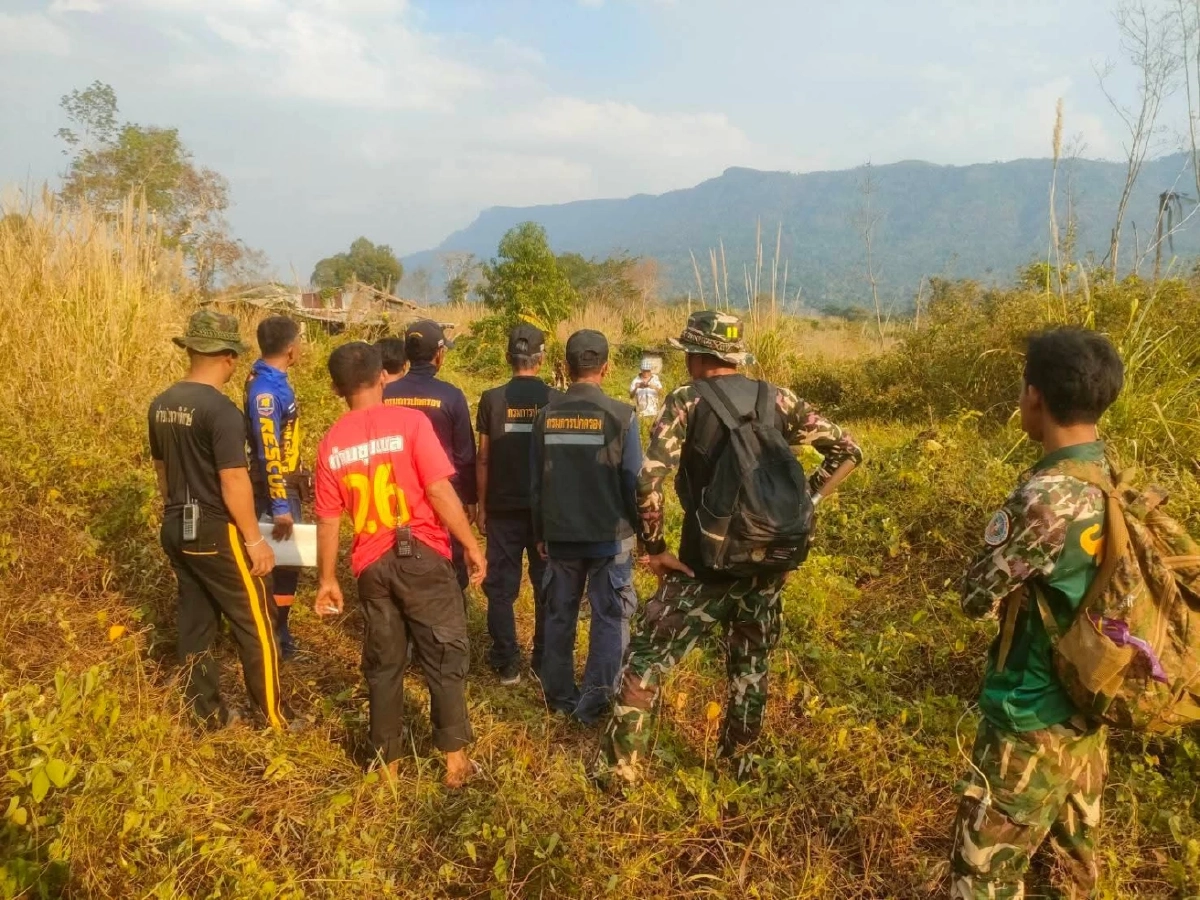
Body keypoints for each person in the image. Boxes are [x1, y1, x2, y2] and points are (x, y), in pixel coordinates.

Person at [595, 311, 862, 785]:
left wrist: (655, 548)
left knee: (646, 662)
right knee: (751, 666)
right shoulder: (777, 398)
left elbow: (649, 479)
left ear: (698, 357)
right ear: (733, 357)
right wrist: (807, 504)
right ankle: (741, 765)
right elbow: (848, 450)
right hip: (768, 566)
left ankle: (619, 772)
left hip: (702, 567)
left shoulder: (684, 401)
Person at [949, 327, 1124, 900]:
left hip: (1028, 717)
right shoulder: (1115, 480)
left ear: (1034, 396)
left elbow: (977, 597)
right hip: (1090, 707)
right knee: (1073, 874)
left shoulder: (1046, 497)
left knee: (982, 879)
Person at [313, 341, 485, 788]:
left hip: (371, 567)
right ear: (384, 376)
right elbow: (439, 492)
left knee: (383, 665)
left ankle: (387, 766)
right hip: (422, 556)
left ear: (336, 388)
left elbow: (328, 520)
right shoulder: (411, 423)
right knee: (444, 657)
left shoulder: (331, 443)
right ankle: (454, 764)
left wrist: (327, 579)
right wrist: (470, 543)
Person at [149, 309, 286, 729]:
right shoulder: (221, 411)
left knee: (195, 622)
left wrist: (177, 512)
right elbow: (233, 481)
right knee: (257, 622)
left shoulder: (162, 404)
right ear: (228, 357)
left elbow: (163, 473)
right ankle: (274, 716)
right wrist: (254, 541)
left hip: (175, 526)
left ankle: (205, 715)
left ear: (190, 350)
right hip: (214, 529)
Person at [531, 330, 642, 724]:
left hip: (560, 536)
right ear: (607, 367)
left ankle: (559, 696)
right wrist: (642, 534)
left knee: (559, 614)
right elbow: (634, 482)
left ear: (566, 366)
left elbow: (536, 482)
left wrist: (541, 533)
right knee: (610, 617)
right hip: (610, 539)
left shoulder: (546, 416)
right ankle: (595, 703)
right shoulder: (623, 415)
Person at [476, 324, 561, 685]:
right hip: (545, 514)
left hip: (501, 509)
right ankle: (542, 662)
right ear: (541, 359)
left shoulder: (492, 399)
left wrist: (480, 506)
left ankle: (507, 662)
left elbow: (483, 458)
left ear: (508, 357)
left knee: (500, 588)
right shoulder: (556, 400)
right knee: (546, 588)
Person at [384, 320, 477, 591]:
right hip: (443, 494)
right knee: (450, 563)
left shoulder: (385, 394)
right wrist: (469, 499)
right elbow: (464, 454)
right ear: (439, 355)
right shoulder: (451, 396)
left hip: (394, 494)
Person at [244, 315, 306, 660]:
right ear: (290, 348)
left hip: (285, 484)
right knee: (279, 564)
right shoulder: (265, 391)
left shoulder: (270, 379)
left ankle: (280, 632)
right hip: (274, 490)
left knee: (287, 566)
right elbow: (269, 450)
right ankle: (275, 636)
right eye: (299, 341)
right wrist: (281, 507)